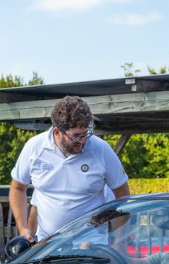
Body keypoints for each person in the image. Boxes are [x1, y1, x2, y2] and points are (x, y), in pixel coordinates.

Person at [9, 96, 130, 241]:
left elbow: (122, 195)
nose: (83, 141)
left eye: (86, 133)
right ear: (57, 132)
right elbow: (18, 188)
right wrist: (23, 229)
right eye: (76, 136)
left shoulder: (101, 149)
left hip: (92, 244)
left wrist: (118, 242)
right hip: (48, 244)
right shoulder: (34, 147)